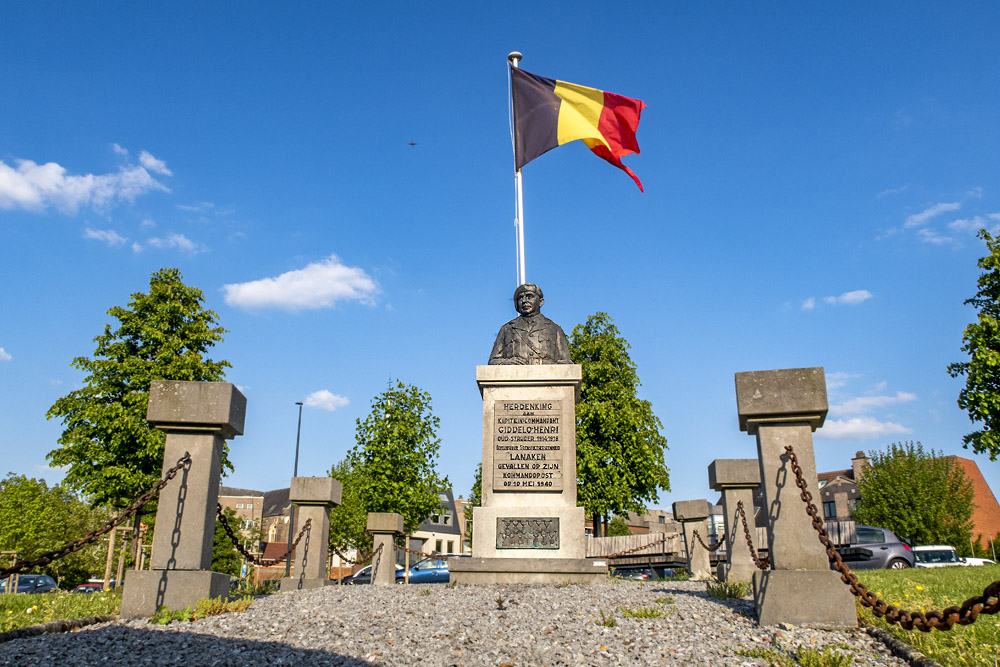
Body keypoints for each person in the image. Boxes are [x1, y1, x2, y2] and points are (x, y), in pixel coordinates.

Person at [489, 283, 572, 365]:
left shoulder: (555, 329)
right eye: (521, 298)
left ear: (540, 302)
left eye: (529, 297)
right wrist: (507, 362)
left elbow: (566, 363)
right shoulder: (507, 329)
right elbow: (493, 361)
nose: (525, 301)